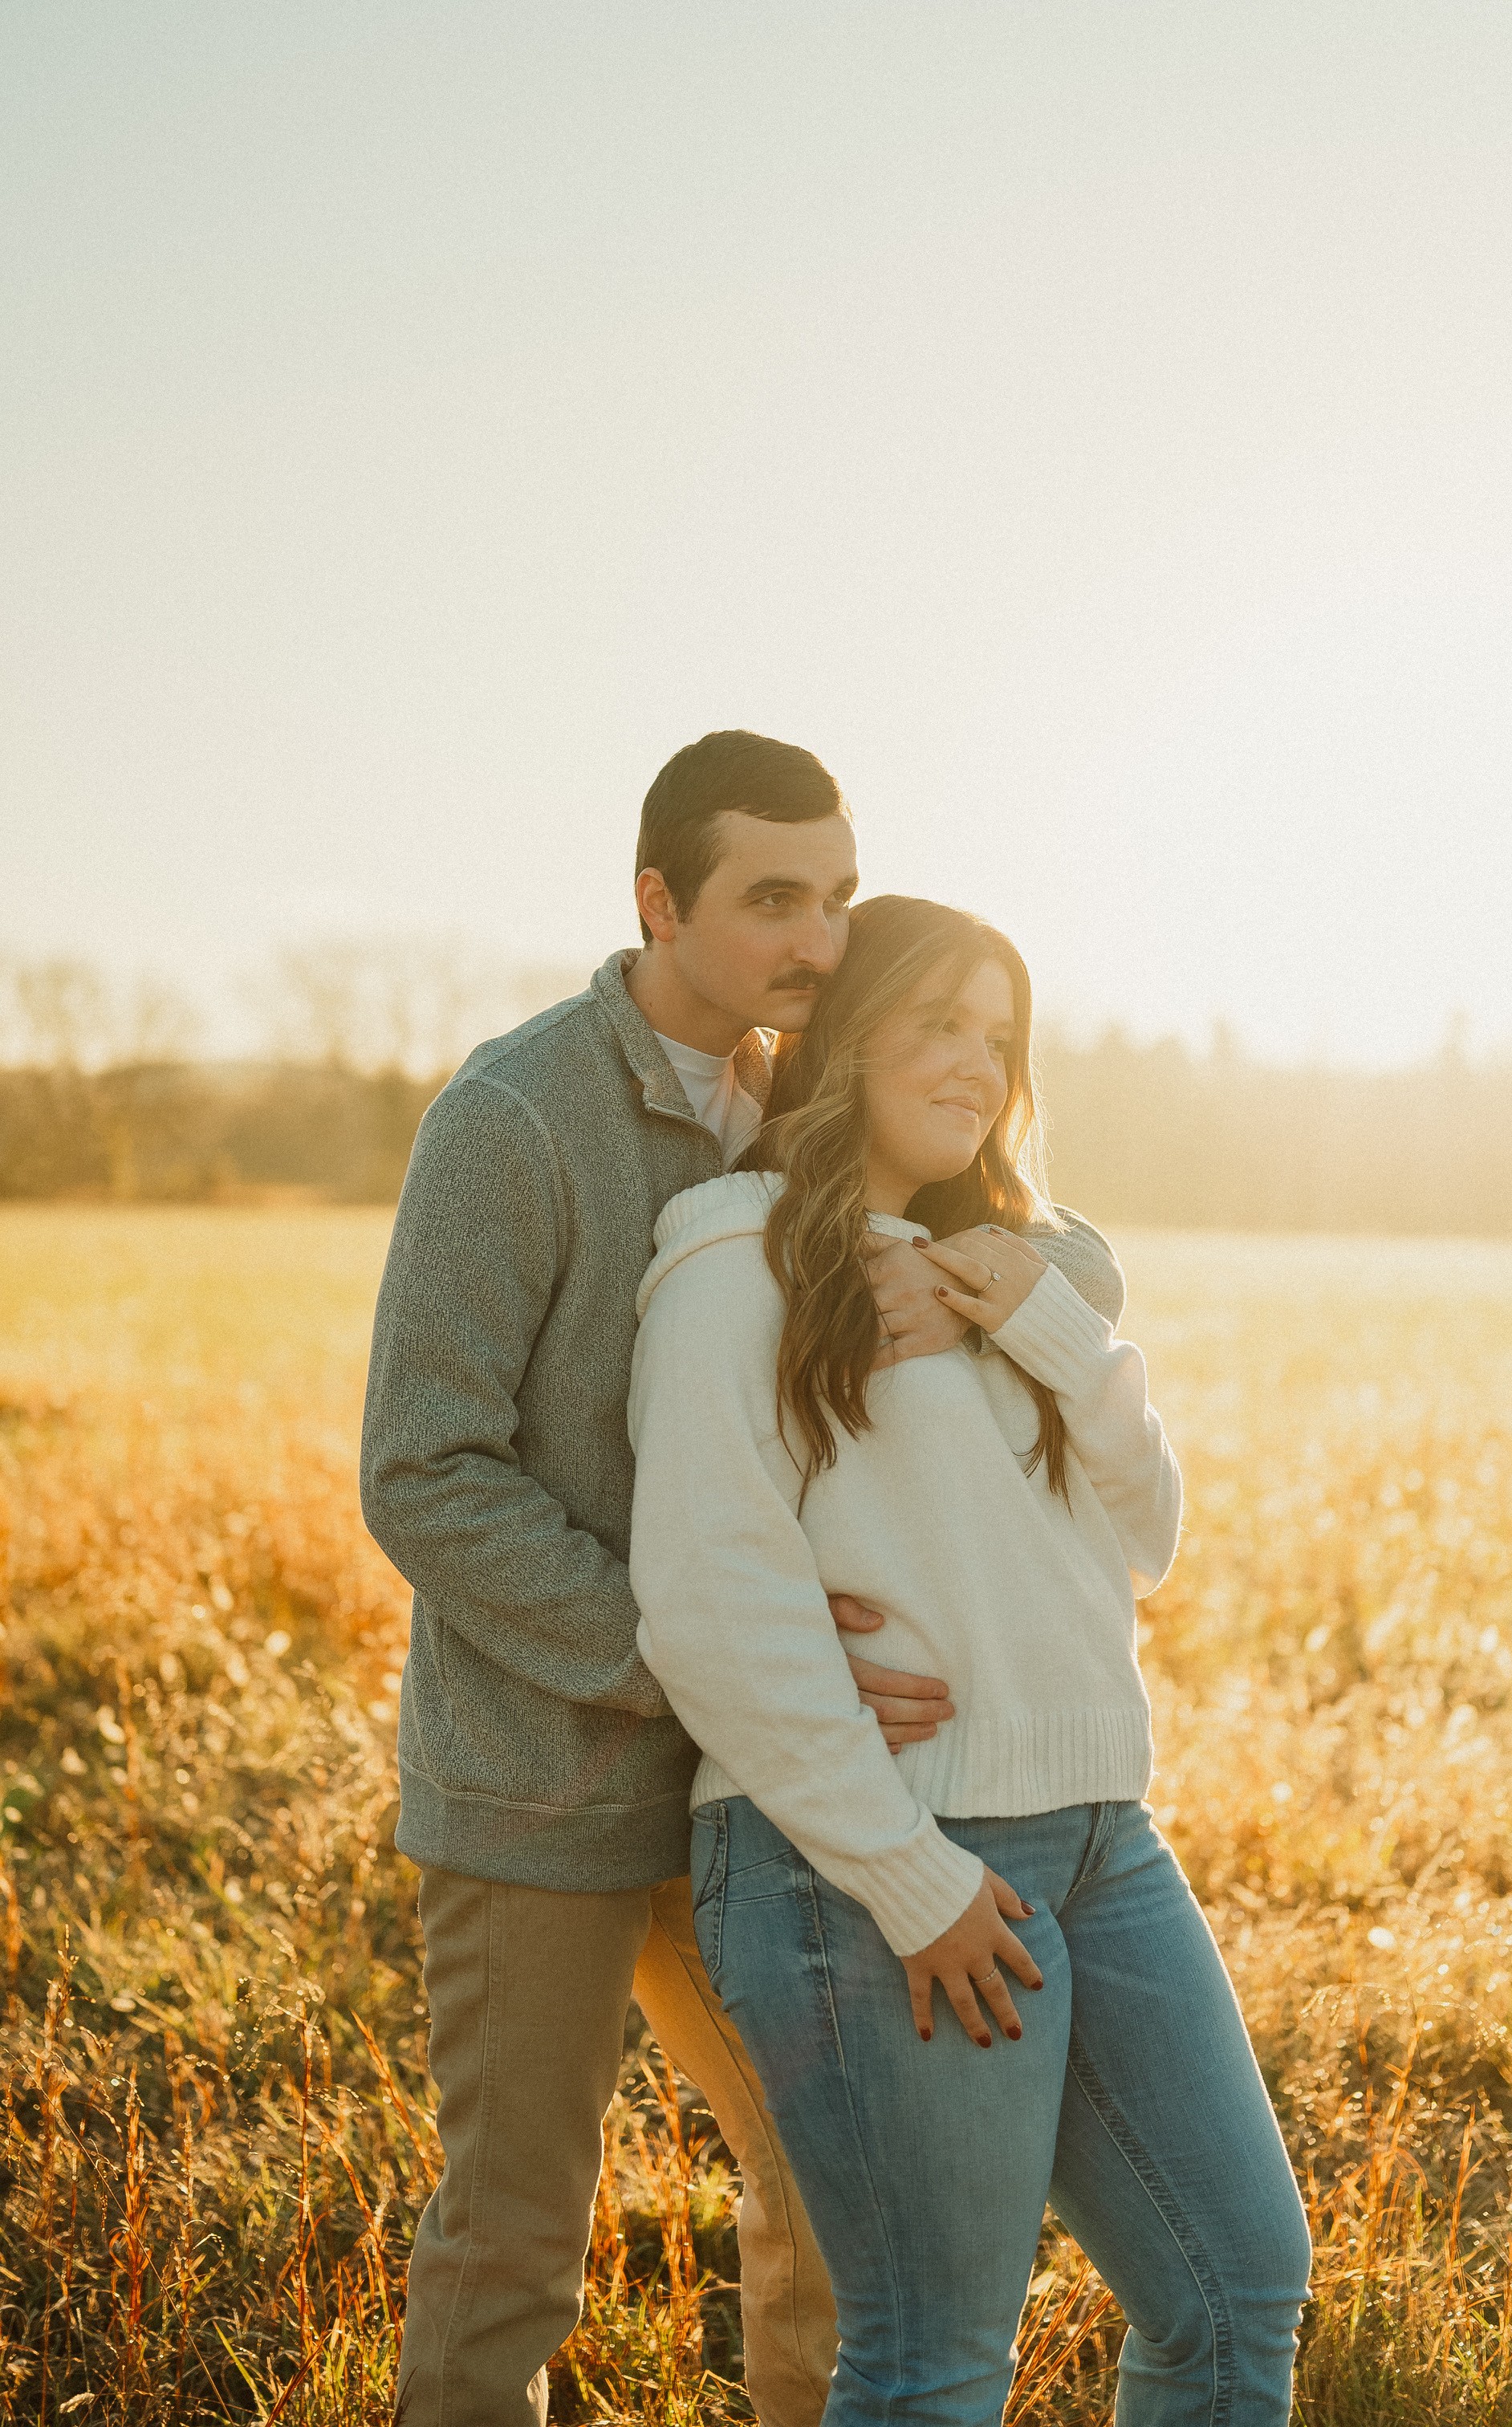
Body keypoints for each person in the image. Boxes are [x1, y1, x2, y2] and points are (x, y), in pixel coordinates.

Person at [360, 734, 1130, 2427]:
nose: (821, 941)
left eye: (838, 897)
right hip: (550, 1779)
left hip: (772, 1790)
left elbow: (1054, 1225)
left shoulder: (809, 1090)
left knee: (830, 2216)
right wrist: (697, 1654)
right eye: (774, 900)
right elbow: (422, 1471)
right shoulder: (515, 1114)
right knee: (516, 2244)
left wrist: (995, 1268)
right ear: (658, 902)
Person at [628, 894, 1313, 2427]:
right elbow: (709, 1604)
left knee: (1237, 2286)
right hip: (881, 1863)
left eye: (998, 1039)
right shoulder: (735, 1264)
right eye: (936, 1025)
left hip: (1102, 1839)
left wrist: (1048, 1325)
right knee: (933, 2360)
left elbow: (1151, 1533)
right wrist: (908, 1875)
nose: (975, 1067)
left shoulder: (1003, 1276)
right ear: (843, 1036)